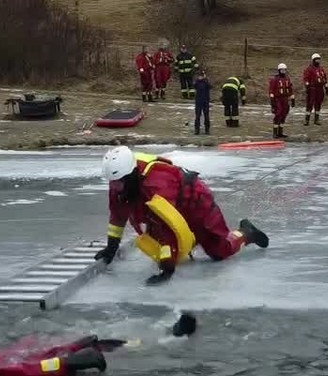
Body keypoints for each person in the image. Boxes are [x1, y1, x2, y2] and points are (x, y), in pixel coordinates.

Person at [95, 147, 270, 285]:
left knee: (220, 251)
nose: (115, 187)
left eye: (119, 183)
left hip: (196, 204)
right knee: (156, 240)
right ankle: (189, 241)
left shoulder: (157, 185)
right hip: (172, 202)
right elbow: (117, 214)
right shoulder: (120, 180)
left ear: (132, 174)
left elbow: (166, 228)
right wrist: (111, 247)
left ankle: (246, 233)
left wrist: (167, 268)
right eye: (113, 183)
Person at [269, 63, 295, 139]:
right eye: (282, 70)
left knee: (284, 114)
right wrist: (272, 102)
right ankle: (275, 132)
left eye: (284, 70)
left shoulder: (287, 79)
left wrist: (293, 99)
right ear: (279, 70)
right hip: (278, 99)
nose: (283, 71)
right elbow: (271, 91)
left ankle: (280, 132)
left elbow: (290, 89)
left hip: (285, 99)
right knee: (278, 113)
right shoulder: (275, 80)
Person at [303, 53, 328, 125]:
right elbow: (306, 78)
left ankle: (316, 119)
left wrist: (326, 87)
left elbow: (324, 78)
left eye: (319, 59)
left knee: (318, 104)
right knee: (310, 104)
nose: (318, 61)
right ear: (313, 60)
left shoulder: (321, 69)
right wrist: (307, 86)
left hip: (320, 89)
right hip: (312, 88)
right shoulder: (309, 69)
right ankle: (307, 120)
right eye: (316, 60)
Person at [193, 69, 212, 134]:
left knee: (206, 115)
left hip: (205, 101)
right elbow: (194, 86)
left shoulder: (206, 82)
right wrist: (199, 80)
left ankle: (207, 129)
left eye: (202, 75)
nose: (200, 77)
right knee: (198, 115)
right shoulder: (197, 82)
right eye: (199, 76)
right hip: (198, 101)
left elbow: (210, 86)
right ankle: (197, 129)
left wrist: (205, 79)